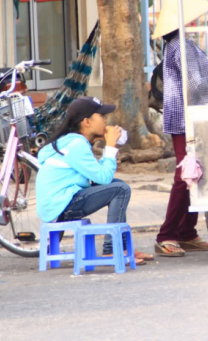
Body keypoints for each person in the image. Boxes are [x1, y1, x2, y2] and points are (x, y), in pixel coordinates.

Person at [36, 96, 154, 264]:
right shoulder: (76, 144)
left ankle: (122, 248)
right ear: (87, 122)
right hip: (62, 205)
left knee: (118, 185)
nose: (106, 121)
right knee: (121, 189)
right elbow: (104, 178)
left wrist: (107, 152)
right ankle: (112, 249)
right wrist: (111, 146)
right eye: (102, 117)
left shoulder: (72, 141)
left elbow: (98, 177)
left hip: (62, 202)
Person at [152, 0, 208, 257]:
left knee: (195, 173)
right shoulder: (180, 45)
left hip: (184, 117)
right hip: (186, 119)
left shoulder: (176, 44)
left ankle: (187, 232)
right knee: (185, 175)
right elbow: (195, 84)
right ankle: (167, 234)